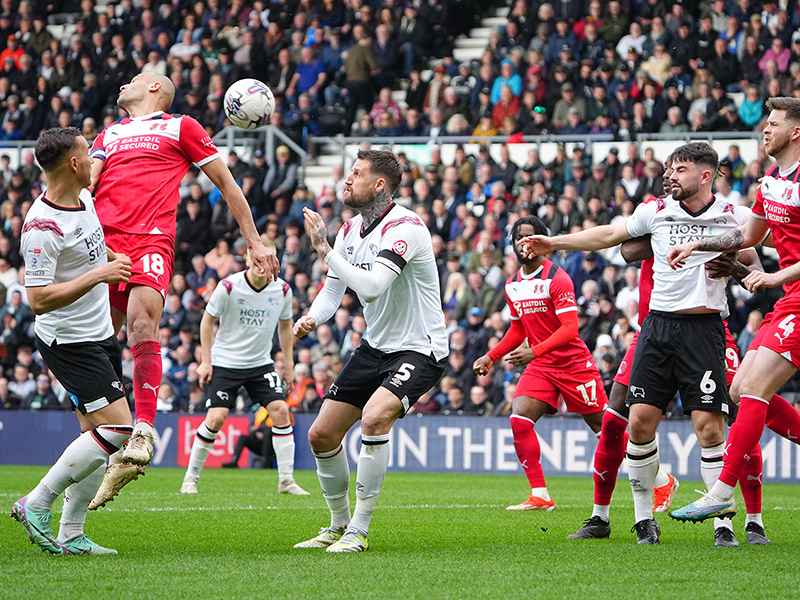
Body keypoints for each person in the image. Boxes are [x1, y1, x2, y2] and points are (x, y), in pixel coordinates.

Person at [520, 142, 749, 544]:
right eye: (669, 169)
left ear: (705, 175)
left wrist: (739, 266)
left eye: (679, 170)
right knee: (639, 423)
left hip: (705, 328)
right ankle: (644, 520)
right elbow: (610, 234)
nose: (670, 176)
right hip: (657, 329)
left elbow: (758, 250)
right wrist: (555, 243)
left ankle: (723, 525)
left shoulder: (733, 214)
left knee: (709, 428)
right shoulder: (656, 211)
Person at [87, 73, 278, 506]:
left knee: (140, 325)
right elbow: (88, 186)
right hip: (101, 245)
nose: (122, 85)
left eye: (134, 79)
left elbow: (227, 185)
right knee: (96, 340)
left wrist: (253, 240)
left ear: (155, 87)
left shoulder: (181, 126)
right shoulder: (108, 133)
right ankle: (104, 442)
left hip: (149, 238)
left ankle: (143, 431)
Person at [293, 149, 448, 552]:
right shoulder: (348, 231)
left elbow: (373, 285)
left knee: (375, 419)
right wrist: (312, 317)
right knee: (321, 435)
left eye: (357, 174)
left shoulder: (406, 227)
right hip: (376, 347)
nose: (347, 180)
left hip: (420, 348)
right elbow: (332, 293)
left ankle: (359, 530)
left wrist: (325, 250)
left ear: (380, 185)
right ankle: (338, 524)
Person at [669, 98, 800, 525]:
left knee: (757, 389)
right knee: (741, 391)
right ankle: (722, 492)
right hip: (790, 298)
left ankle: (720, 492)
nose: (765, 130)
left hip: (796, 295)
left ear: (795, 132)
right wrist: (698, 243)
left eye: (774, 124)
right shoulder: (770, 183)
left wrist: (776, 278)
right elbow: (745, 236)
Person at [11, 127, 134, 555]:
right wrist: (98, 274)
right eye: (88, 153)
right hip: (69, 342)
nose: (93, 160)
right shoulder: (41, 228)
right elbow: (38, 300)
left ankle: (71, 533)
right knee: (120, 428)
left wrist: (110, 258)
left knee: (94, 436)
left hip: (99, 333)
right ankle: (37, 502)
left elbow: (89, 250)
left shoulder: (85, 199)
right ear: (74, 164)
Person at [473, 215, 608, 511]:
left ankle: (661, 480)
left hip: (573, 364)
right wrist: (491, 356)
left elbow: (570, 328)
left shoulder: (557, 278)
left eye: (531, 237)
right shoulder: (512, 285)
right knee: (519, 419)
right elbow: (518, 329)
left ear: (543, 242)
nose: (525, 243)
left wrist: (533, 352)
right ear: (512, 244)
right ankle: (540, 494)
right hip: (542, 367)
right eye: (519, 238)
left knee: (605, 431)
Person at [180, 241, 308, 496]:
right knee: (216, 418)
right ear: (248, 258)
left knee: (281, 411)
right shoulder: (228, 286)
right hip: (226, 363)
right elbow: (207, 321)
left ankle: (286, 481)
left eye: (267, 259)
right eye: (257, 259)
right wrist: (206, 361)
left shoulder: (282, 290)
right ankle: (190, 479)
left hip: (260, 363)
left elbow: (285, 327)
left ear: (274, 260)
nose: (262, 265)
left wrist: (289, 365)